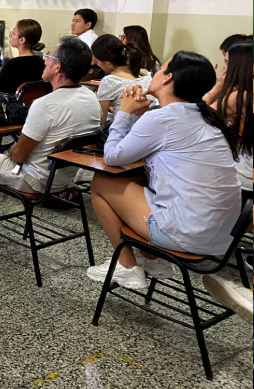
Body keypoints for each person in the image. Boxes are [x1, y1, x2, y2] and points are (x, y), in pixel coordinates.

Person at [86, 52, 241, 290]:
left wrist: (124, 113)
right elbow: (157, 143)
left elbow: (113, 156)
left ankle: (127, 267)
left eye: (159, 71)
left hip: (188, 234)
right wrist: (140, 115)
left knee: (102, 182)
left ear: (168, 78)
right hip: (221, 236)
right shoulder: (204, 115)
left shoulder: (164, 118)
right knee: (137, 178)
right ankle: (152, 261)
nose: (153, 75)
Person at [0, 37, 101, 207]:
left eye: (49, 57)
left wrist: (12, 150)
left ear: (58, 66)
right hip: (65, 177)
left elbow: (19, 156)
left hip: (34, 178)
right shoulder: (92, 98)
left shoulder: (45, 104)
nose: (45, 61)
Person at [204, 41, 253, 196]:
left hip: (242, 178)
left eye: (226, 62)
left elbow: (197, 112)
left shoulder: (238, 99)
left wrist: (218, 87)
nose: (223, 67)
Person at [92, 34, 153, 124]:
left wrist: (95, 99)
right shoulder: (146, 73)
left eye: (97, 61)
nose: (97, 65)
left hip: (125, 132)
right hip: (150, 127)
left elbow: (100, 121)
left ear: (108, 62)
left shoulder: (109, 81)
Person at [0, 19, 46, 94]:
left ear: (22, 40)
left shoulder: (12, 64)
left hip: (10, 104)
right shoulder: (42, 62)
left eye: (13, 33)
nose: (10, 35)